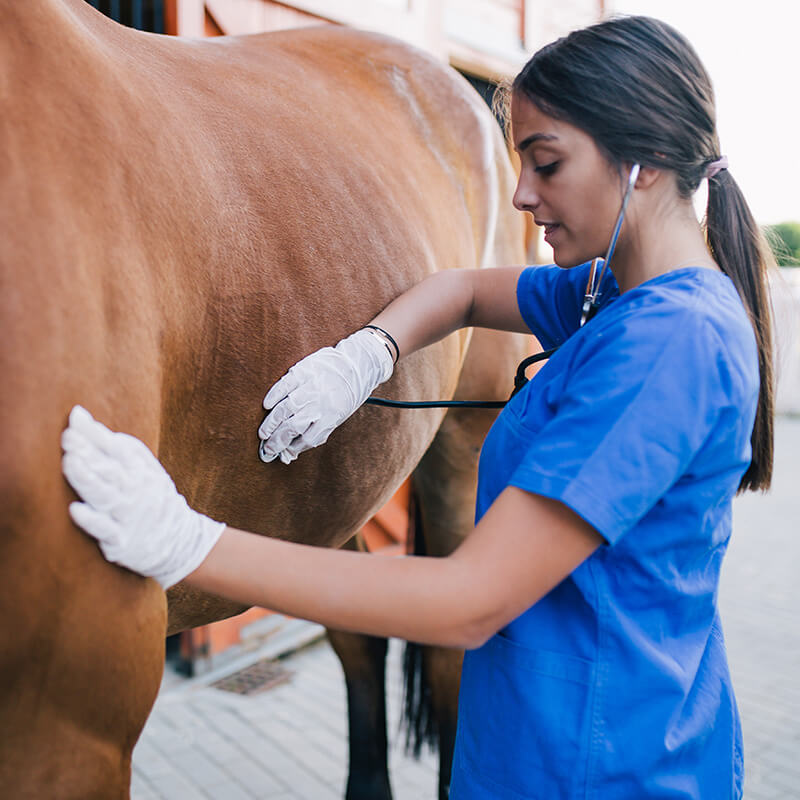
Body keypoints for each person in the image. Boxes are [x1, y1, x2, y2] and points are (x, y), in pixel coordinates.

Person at [61, 15, 774, 799]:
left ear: (640, 161)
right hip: (539, 741)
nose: (521, 194)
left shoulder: (671, 342)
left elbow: (465, 601)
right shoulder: (613, 293)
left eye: (546, 162)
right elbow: (464, 289)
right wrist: (365, 355)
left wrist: (186, 543)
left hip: (600, 767)